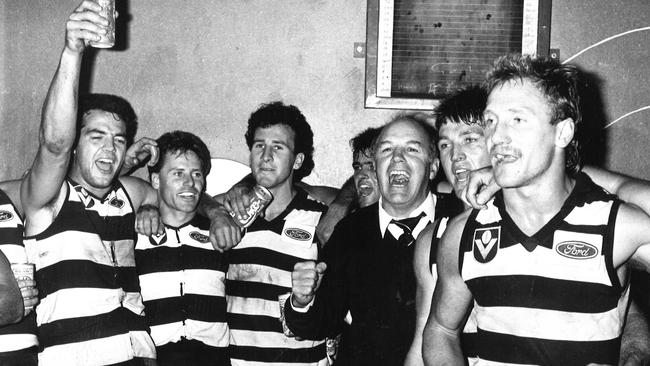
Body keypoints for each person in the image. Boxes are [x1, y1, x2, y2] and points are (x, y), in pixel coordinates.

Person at [20, 2, 237, 364]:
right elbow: (53, 144)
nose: (109, 148)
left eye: (118, 140)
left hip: (138, 355)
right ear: (75, 145)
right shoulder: (50, 197)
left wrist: (215, 212)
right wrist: (73, 50)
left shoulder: (129, 194)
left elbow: (185, 195)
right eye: (96, 137)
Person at [423, 54, 650, 365]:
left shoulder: (617, 226)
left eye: (517, 119)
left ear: (563, 132)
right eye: (491, 121)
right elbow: (440, 330)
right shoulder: (464, 233)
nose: (497, 137)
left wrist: (565, 173)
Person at [284, 114, 441, 366]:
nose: (397, 157)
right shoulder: (351, 230)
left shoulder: (456, 222)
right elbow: (320, 323)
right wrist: (303, 301)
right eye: (386, 149)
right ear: (377, 165)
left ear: (433, 167)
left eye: (411, 148)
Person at [226, 101, 329, 366]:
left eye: (278, 147)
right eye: (259, 145)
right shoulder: (226, 215)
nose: (266, 156)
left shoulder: (322, 219)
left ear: (298, 160)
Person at [135, 131, 229, 366]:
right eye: (178, 173)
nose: (190, 183)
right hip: (156, 358)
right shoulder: (135, 235)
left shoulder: (219, 233)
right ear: (156, 180)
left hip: (214, 358)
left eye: (196, 174)